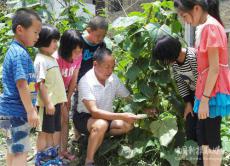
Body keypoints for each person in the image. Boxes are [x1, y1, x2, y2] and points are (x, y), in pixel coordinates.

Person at [174, 0, 230, 166]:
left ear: (196, 8)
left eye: (184, 15)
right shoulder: (207, 26)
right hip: (206, 90)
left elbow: (214, 69)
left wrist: (204, 100)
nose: (185, 20)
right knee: (205, 136)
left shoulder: (210, 28)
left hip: (211, 92)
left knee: (211, 136)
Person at [73, 48, 140, 166]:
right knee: (101, 125)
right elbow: (94, 112)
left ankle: (97, 136)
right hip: (84, 118)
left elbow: (128, 97)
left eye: (112, 67)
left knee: (127, 125)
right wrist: (122, 115)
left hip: (106, 116)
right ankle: (89, 161)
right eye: (106, 66)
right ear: (95, 64)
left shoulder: (113, 78)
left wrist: (145, 108)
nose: (110, 70)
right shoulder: (85, 81)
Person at [153, 35, 204, 166]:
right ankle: (194, 159)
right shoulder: (175, 63)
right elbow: (181, 82)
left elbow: (201, 81)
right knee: (190, 124)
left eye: (164, 58)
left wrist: (198, 103)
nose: (165, 62)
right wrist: (188, 103)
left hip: (206, 94)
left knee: (202, 126)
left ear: (170, 54)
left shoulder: (193, 57)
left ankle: (203, 160)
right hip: (193, 94)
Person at [0, 8, 41, 166]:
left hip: (10, 112)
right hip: (16, 112)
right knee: (20, 152)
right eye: (35, 32)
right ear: (20, 29)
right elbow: (21, 83)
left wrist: (32, 107)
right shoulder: (19, 54)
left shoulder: (16, 51)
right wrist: (30, 110)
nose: (37, 37)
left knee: (13, 150)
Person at [34, 25, 67, 165]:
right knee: (44, 132)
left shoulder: (51, 58)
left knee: (52, 131)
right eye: (54, 41)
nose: (56, 44)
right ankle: (41, 159)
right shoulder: (40, 59)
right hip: (47, 104)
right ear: (44, 41)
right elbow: (40, 83)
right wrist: (48, 103)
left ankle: (51, 157)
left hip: (56, 103)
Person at [53, 29, 83, 160]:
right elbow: (55, 82)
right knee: (56, 123)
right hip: (53, 93)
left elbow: (74, 78)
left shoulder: (78, 57)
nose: (78, 54)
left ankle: (63, 150)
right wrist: (61, 100)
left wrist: (69, 97)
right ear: (66, 48)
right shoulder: (56, 59)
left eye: (80, 51)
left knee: (65, 121)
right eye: (76, 51)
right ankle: (54, 152)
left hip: (65, 92)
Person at [72, 16, 108, 118]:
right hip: (79, 81)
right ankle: (77, 131)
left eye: (103, 36)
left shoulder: (102, 45)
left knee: (94, 105)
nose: (100, 39)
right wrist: (74, 82)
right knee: (79, 103)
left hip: (94, 80)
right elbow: (73, 63)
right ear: (89, 30)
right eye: (98, 35)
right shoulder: (80, 43)